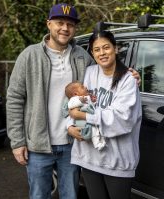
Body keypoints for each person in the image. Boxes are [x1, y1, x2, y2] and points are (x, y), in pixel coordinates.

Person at [6, 3, 140, 199]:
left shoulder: (82, 57)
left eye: (70, 24)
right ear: (49, 24)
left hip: (73, 143)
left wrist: (130, 73)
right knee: (38, 195)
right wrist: (17, 141)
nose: (65, 28)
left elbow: (106, 70)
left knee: (70, 195)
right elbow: (14, 99)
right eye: (60, 22)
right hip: (38, 146)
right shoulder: (29, 56)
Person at [68, 28, 142, 199]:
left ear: (115, 48)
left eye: (106, 47)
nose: (102, 53)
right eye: (97, 49)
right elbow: (74, 102)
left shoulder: (128, 79)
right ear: (92, 53)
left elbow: (122, 119)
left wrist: (85, 116)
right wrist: (70, 127)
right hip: (88, 157)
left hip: (117, 161)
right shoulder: (89, 72)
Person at [65, 81, 106, 150]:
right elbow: (70, 105)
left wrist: (93, 100)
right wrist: (80, 100)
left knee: (96, 129)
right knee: (94, 131)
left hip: (89, 118)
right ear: (76, 94)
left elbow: (91, 105)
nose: (85, 87)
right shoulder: (74, 99)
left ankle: (100, 140)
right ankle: (97, 144)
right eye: (82, 87)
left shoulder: (86, 97)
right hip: (82, 121)